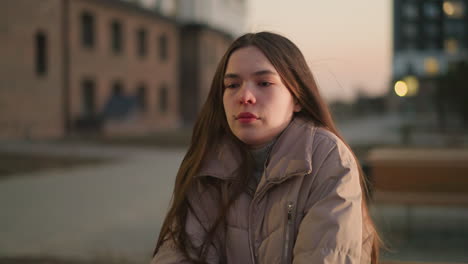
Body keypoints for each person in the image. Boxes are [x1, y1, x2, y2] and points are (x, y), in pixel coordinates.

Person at [152, 32, 380, 264]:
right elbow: (177, 254)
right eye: (232, 85)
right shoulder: (208, 165)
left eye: (264, 83)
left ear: (297, 97)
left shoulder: (327, 159)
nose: (245, 96)